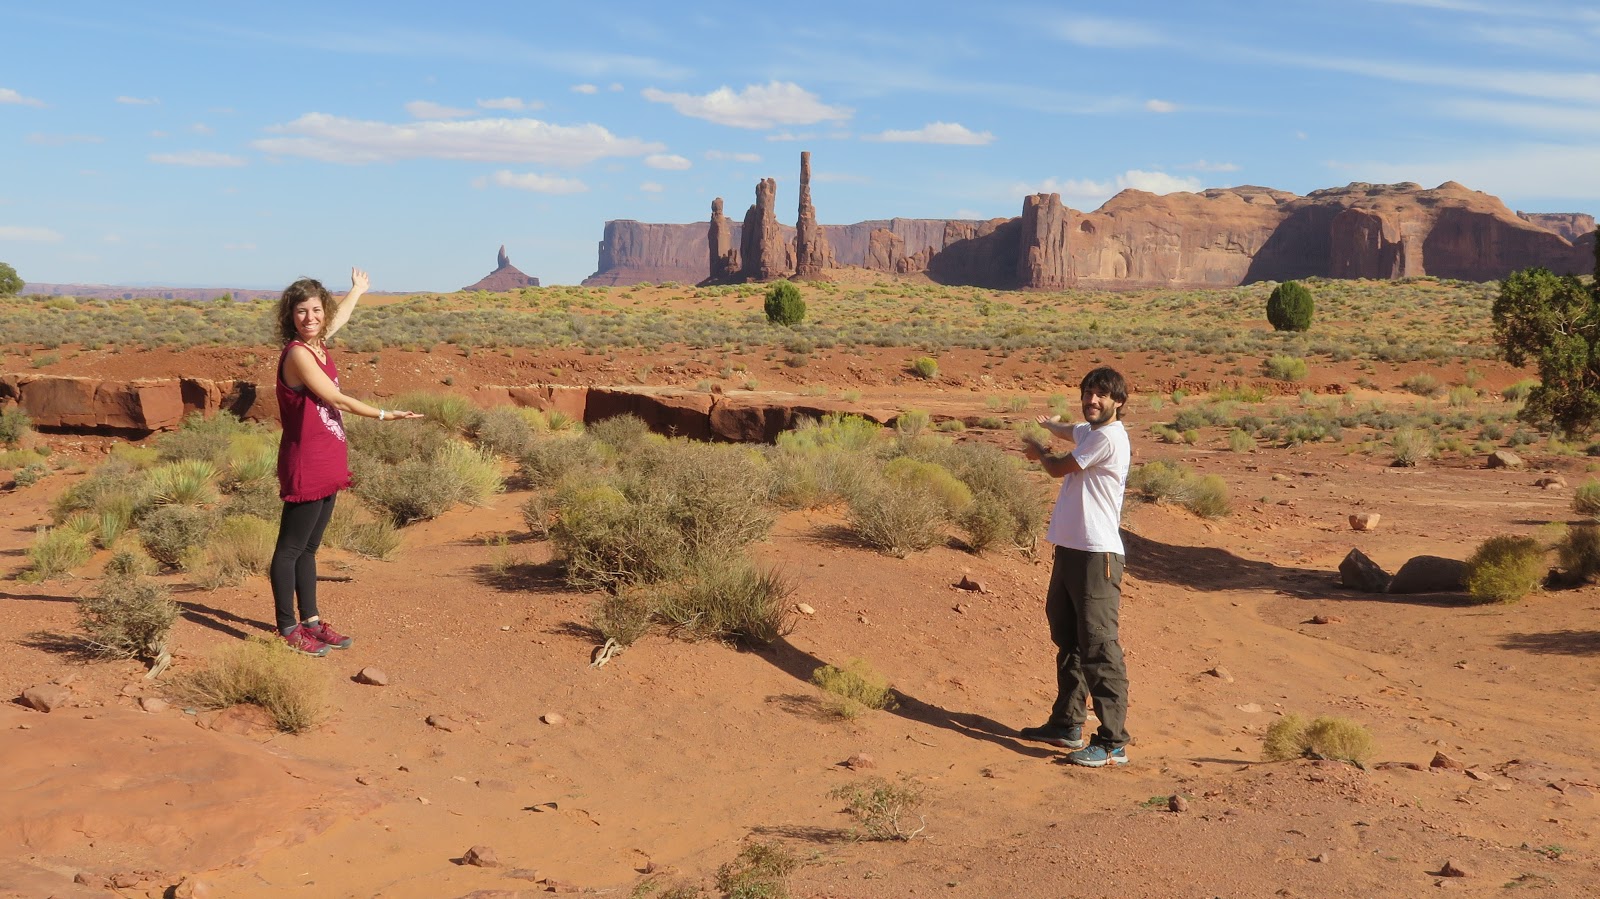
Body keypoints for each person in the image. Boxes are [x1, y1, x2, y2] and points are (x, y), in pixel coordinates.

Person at [271, 268, 420, 656]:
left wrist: (357, 291)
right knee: (289, 549)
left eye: (316, 310)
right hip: (306, 462)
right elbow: (336, 399)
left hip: (329, 460)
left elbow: (338, 319)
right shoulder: (298, 354)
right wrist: (384, 414)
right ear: (290, 315)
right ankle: (287, 627)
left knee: (309, 549)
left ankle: (312, 622)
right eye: (301, 311)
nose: (310, 318)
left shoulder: (319, 343)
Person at [1017, 366, 1133, 767]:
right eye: (1087, 393)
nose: (1092, 400)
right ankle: (1067, 723)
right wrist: (1051, 425)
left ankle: (1113, 742)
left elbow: (1057, 467)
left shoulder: (1108, 438)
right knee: (1069, 639)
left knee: (1099, 646)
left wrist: (1039, 449)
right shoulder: (1091, 431)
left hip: (1096, 556)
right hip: (1070, 550)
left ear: (1118, 401)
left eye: (1101, 395)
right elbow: (1072, 430)